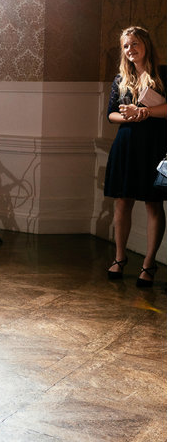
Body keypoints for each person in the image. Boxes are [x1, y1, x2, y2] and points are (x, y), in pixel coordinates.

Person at [104, 26, 167, 287]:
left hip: (153, 145)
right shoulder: (121, 79)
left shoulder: (163, 73)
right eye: (126, 46)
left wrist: (145, 113)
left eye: (135, 44)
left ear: (146, 44)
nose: (131, 50)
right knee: (122, 201)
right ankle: (120, 258)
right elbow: (110, 114)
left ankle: (148, 263)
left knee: (153, 203)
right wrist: (128, 114)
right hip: (126, 144)